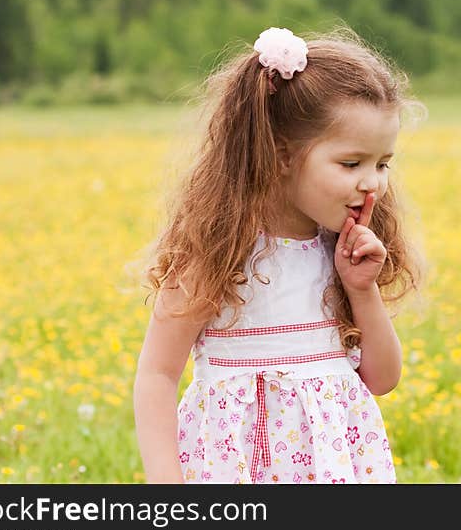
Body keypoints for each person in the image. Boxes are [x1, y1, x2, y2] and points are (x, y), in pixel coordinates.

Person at [133, 26, 427, 484]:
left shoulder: (340, 254)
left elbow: (383, 378)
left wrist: (361, 289)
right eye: (352, 164)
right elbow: (157, 374)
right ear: (281, 155)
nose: (372, 182)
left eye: (382, 163)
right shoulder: (217, 252)